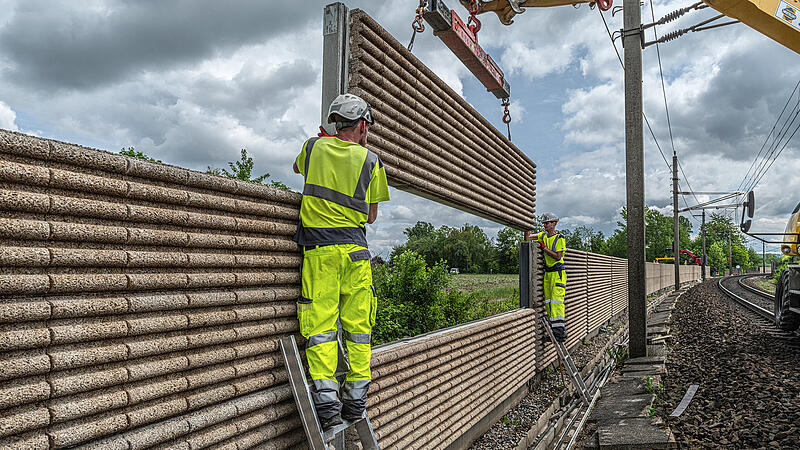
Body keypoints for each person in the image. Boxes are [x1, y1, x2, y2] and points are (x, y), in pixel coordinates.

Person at [292, 93, 390, 429]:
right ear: (363, 124)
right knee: (359, 328)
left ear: (336, 122)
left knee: (320, 327)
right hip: (356, 254)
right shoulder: (372, 161)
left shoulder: (312, 148)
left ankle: (327, 404)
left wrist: (323, 144)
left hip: (320, 253)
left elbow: (297, 168)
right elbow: (372, 216)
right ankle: (356, 400)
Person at [535, 213, 567, 342]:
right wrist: (525, 225)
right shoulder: (542, 235)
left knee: (556, 303)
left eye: (547, 223)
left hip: (558, 274)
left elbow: (558, 257)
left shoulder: (559, 238)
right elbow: (527, 238)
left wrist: (544, 248)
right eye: (544, 223)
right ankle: (555, 332)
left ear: (554, 223)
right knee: (549, 303)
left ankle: (560, 333)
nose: (544, 225)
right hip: (548, 274)